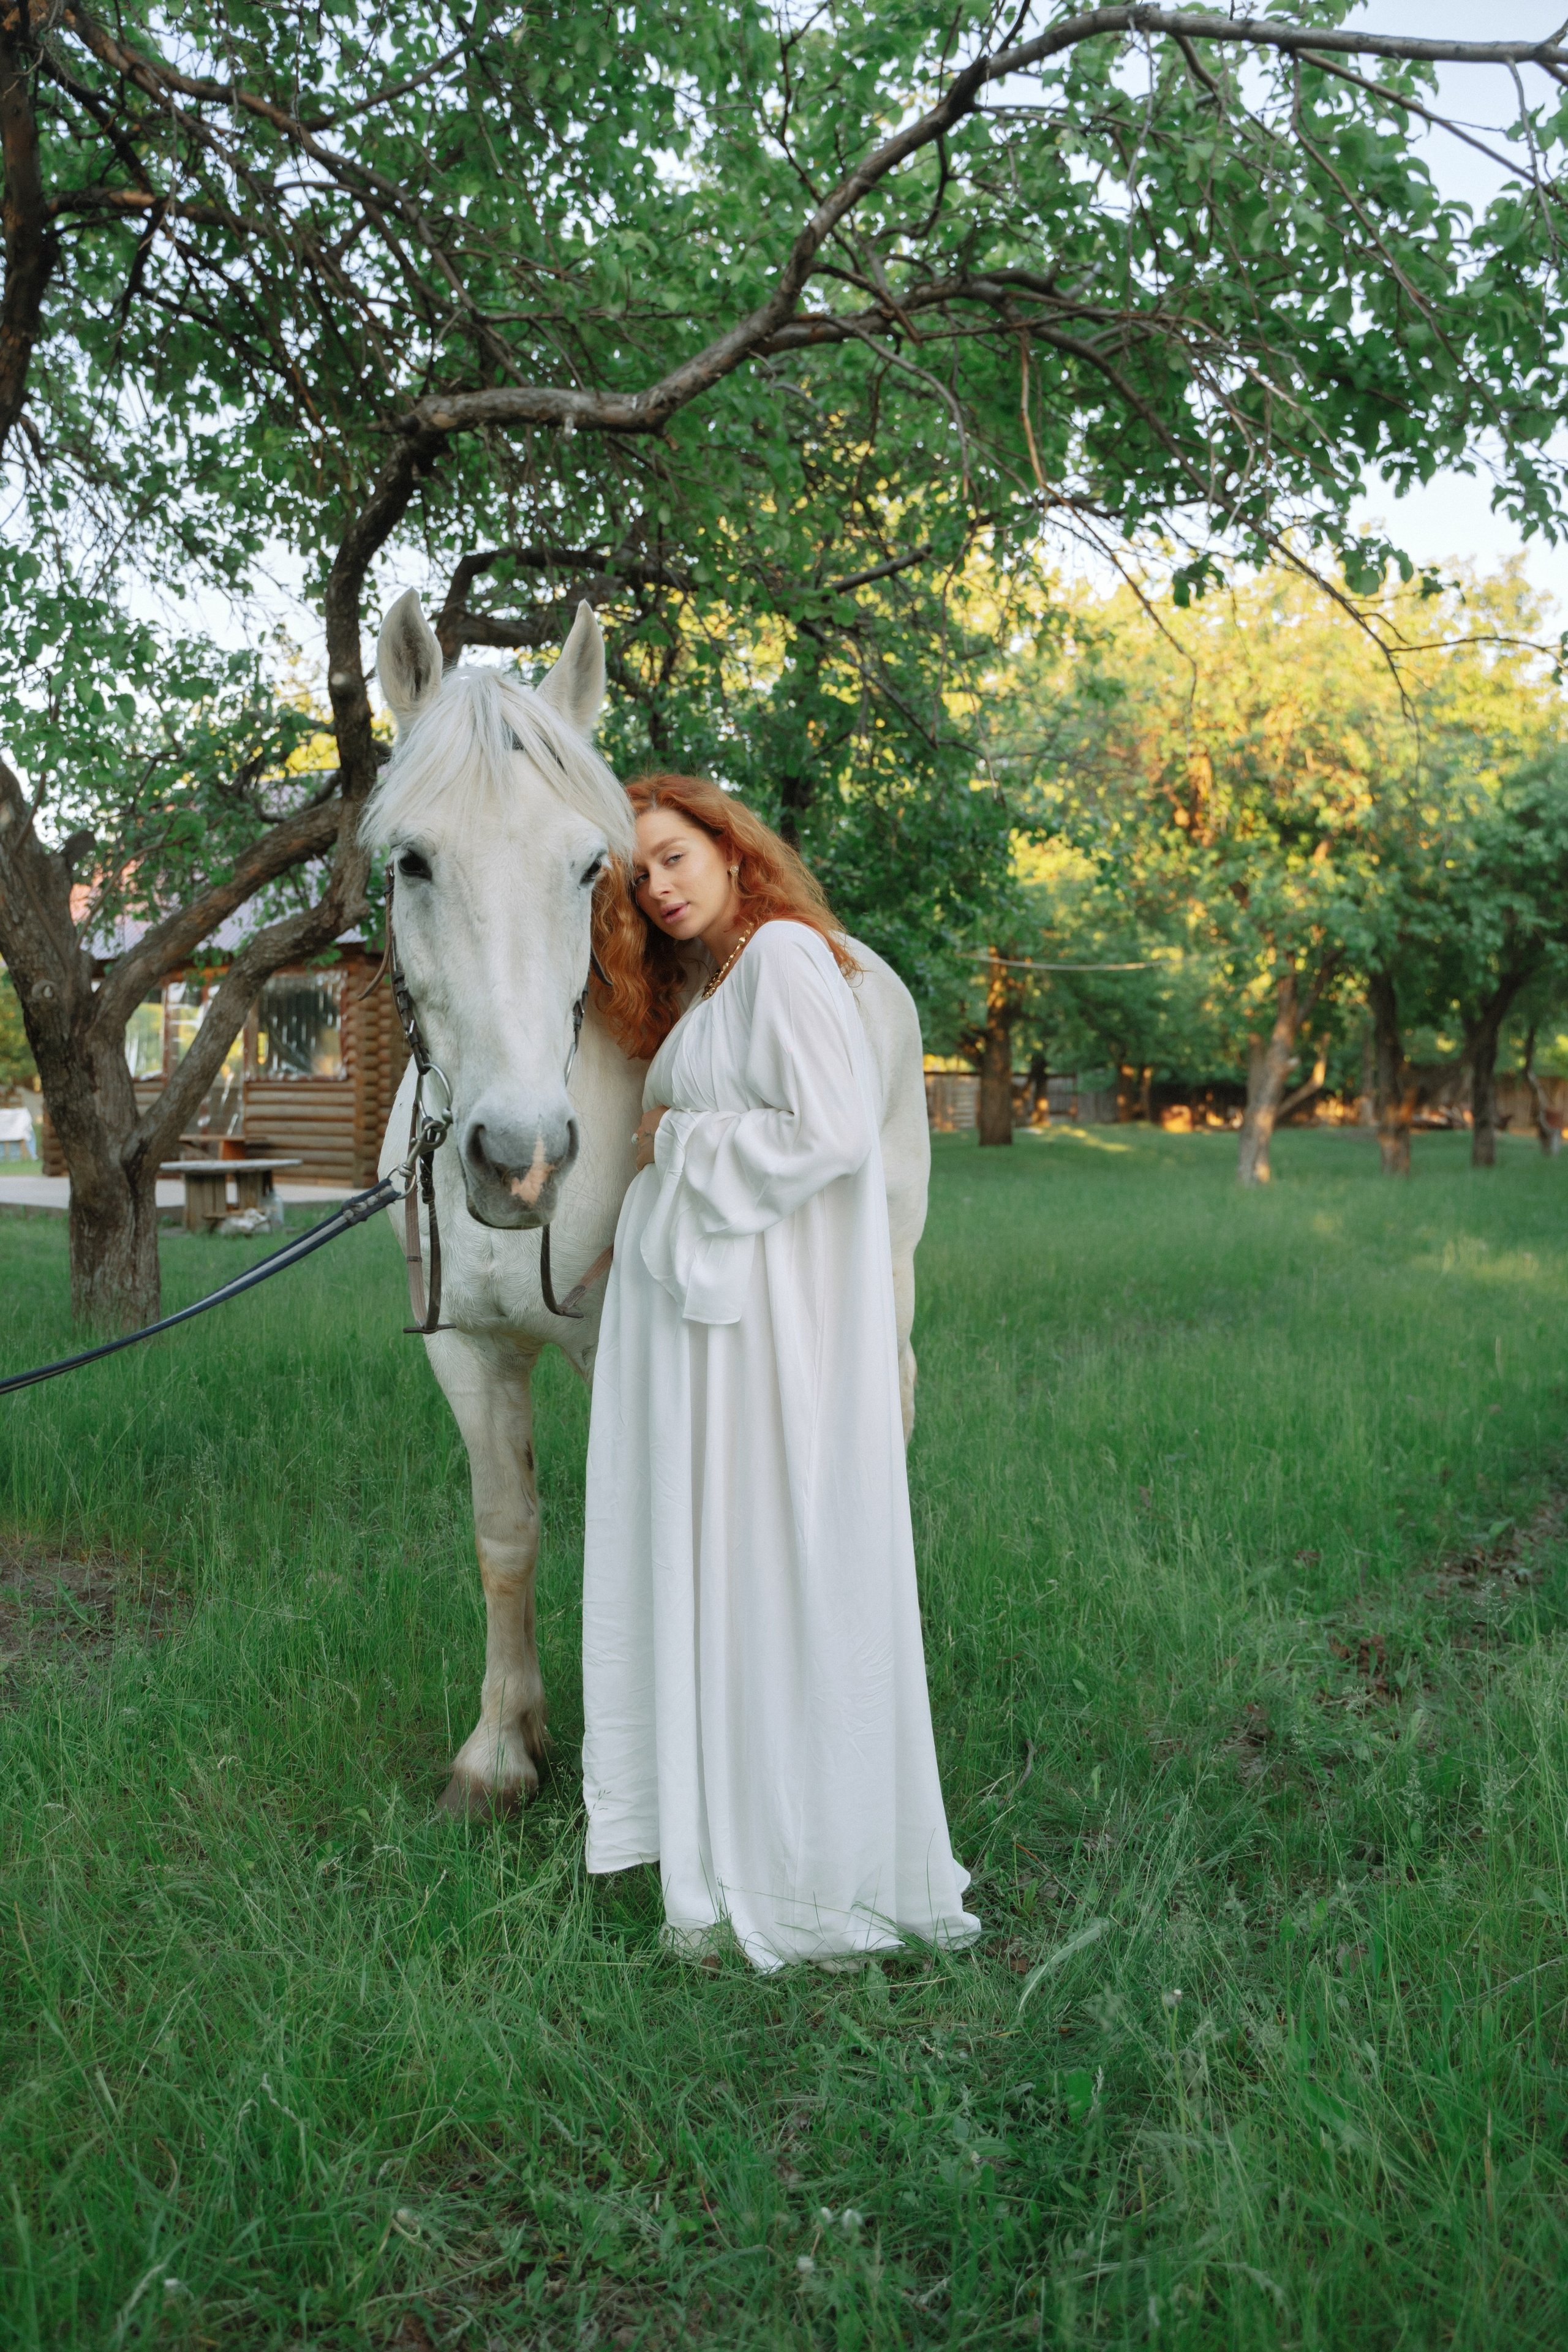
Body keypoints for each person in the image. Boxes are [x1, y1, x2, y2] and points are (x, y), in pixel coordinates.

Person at [581, 774, 979, 1972]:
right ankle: (713, 1826)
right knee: (713, 1575)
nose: (657, 887)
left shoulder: (789, 961)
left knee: (764, 1575)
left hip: (756, 1347)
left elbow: (832, 1134)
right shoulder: (715, 988)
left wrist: (674, 1141)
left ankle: (791, 1852)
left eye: (671, 856)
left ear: (727, 845)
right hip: (702, 1342)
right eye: (638, 876)